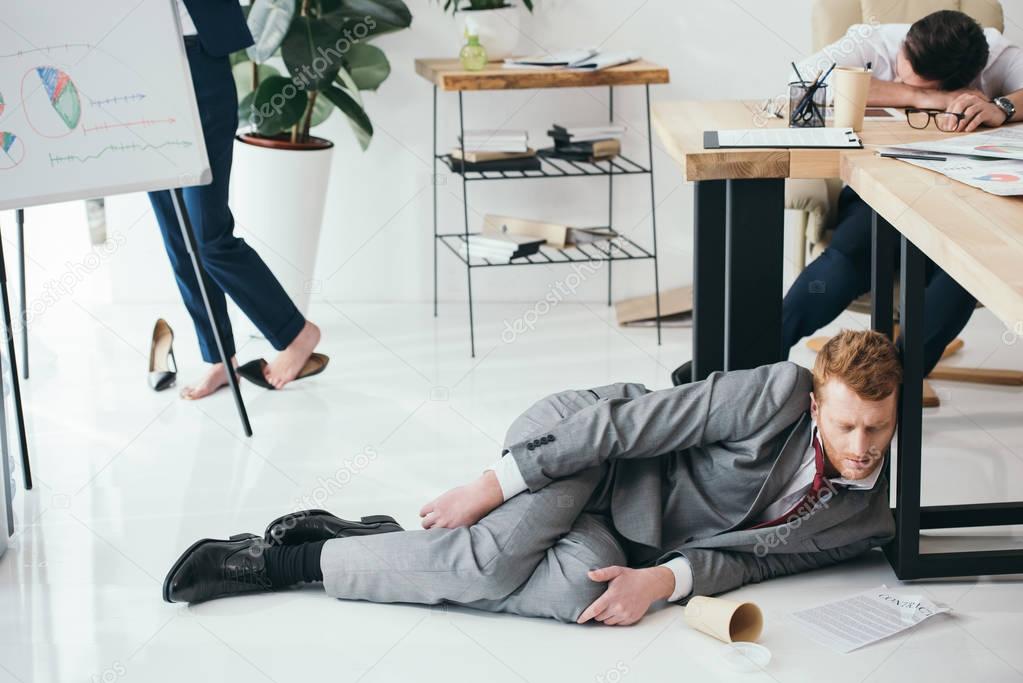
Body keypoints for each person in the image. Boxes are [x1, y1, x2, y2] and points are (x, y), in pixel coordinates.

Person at [164, 330, 900, 626]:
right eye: (844, 426)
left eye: (877, 427)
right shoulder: (773, 391)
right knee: (485, 566)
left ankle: (363, 536)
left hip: (623, 529)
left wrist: (663, 582)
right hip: (579, 444)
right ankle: (269, 562)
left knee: (581, 592)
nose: (861, 446)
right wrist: (497, 481)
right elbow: (626, 426)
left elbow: (744, 559)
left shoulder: (864, 517)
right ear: (815, 406)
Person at [782, 9, 1023, 376]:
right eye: (901, 65)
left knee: (961, 273)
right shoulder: (874, 40)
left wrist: (1001, 107)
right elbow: (801, 79)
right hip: (876, 195)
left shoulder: (993, 52)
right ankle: (742, 360)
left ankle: (893, 390)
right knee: (848, 259)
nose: (897, 71)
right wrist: (921, 97)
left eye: (924, 86)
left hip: (957, 199)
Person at [148, 0, 323, 399]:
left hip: (198, 58)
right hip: (140, 65)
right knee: (178, 236)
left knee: (208, 235)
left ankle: (296, 333)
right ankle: (219, 358)